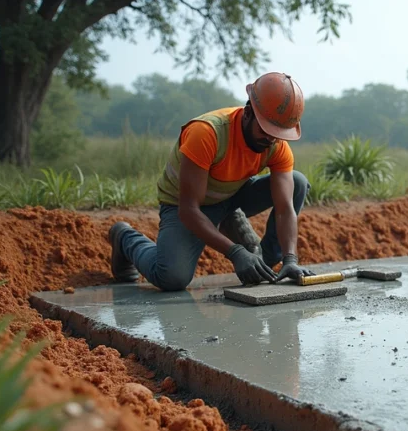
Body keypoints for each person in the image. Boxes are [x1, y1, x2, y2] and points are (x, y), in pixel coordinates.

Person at [107, 72, 316, 290]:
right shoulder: (206, 134)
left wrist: (290, 259)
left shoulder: (275, 145)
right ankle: (124, 237)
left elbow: (284, 209)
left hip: (232, 194)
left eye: (278, 133)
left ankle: (265, 260)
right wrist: (235, 252)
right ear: (247, 114)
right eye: (267, 131)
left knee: (297, 183)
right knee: (171, 277)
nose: (272, 139)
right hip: (187, 205)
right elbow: (188, 210)